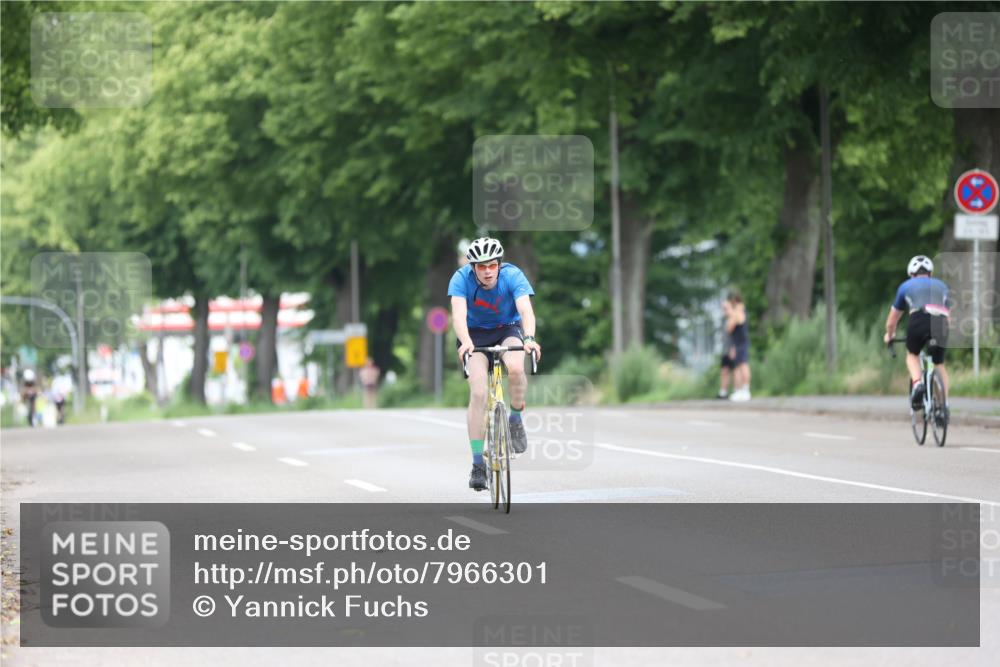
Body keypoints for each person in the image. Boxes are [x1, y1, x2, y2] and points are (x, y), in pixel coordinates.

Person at [449, 236, 541, 491]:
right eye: (481, 267)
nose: (488, 271)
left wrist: (530, 338)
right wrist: (466, 341)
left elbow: (525, 310)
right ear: (473, 268)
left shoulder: (513, 276)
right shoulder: (460, 279)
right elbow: (458, 315)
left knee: (515, 368)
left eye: (492, 265)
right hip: (473, 334)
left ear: (499, 264)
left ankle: (516, 419)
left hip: (507, 329)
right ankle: (478, 463)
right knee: (478, 392)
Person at [883, 255, 951, 411]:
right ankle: (943, 406)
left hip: (918, 319)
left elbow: (892, 322)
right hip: (940, 321)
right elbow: (949, 318)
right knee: (938, 363)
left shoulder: (905, 286)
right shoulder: (942, 286)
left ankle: (918, 384)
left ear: (911, 274)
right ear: (930, 273)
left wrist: (890, 335)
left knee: (912, 354)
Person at [720, 291, 751, 402]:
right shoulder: (736, 313)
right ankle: (739, 391)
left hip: (741, 342)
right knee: (737, 367)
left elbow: (729, 327)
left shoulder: (740, 311)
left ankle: (746, 390)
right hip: (737, 343)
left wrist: (732, 314)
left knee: (743, 365)